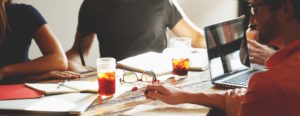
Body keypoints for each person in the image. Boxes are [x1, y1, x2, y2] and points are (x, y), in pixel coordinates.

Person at [145, 0, 300, 115]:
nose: (253, 21)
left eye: (255, 9)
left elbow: (257, 97)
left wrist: (235, 112)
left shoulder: (267, 86)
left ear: (285, 9)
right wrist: (184, 95)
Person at [66, 0, 206, 72]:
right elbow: (79, 52)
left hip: (157, 81)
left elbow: (196, 39)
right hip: (115, 84)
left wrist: (226, 41)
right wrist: (60, 63)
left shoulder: (162, 1)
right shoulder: (92, 4)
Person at [0, 0, 79, 84]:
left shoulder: (24, 13)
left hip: (21, 86)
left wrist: (5, 71)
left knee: (73, 67)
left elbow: (59, 60)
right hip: (19, 84)